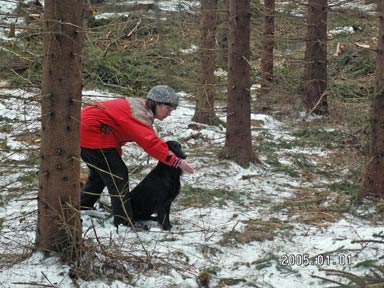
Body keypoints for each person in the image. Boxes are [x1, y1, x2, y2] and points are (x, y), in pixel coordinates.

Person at [80, 85, 194, 228]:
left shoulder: (138, 110)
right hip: (92, 132)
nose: (169, 113)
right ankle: (123, 221)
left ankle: (84, 205)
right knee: (118, 175)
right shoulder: (138, 113)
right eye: (168, 108)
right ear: (157, 103)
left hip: (88, 132)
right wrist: (176, 161)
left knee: (100, 174)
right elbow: (150, 142)